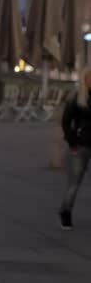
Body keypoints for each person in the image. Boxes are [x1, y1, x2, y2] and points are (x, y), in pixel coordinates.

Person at [60, 67, 91, 230]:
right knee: (74, 184)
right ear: (84, 79)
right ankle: (65, 211)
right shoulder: (76, 98)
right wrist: (72, 141)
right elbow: (66, 122)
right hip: (80, 146)